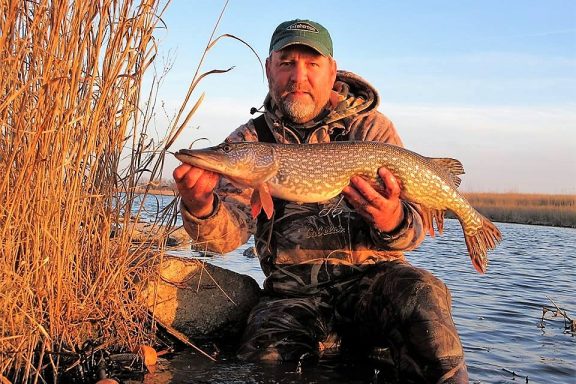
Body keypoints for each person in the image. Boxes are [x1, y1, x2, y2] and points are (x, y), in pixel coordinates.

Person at [173, 19, 468, 383]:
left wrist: (392, 219)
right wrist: (201, 205)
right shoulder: (251, 140)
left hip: (372, 285)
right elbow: (222, 240)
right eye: (286, 64)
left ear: (332, 70)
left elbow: (415, 231)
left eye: (312, 64)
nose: (299, 77)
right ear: (269, 69)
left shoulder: (371, 130)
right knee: (266, 362)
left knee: (423, 294)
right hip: (292, 296)